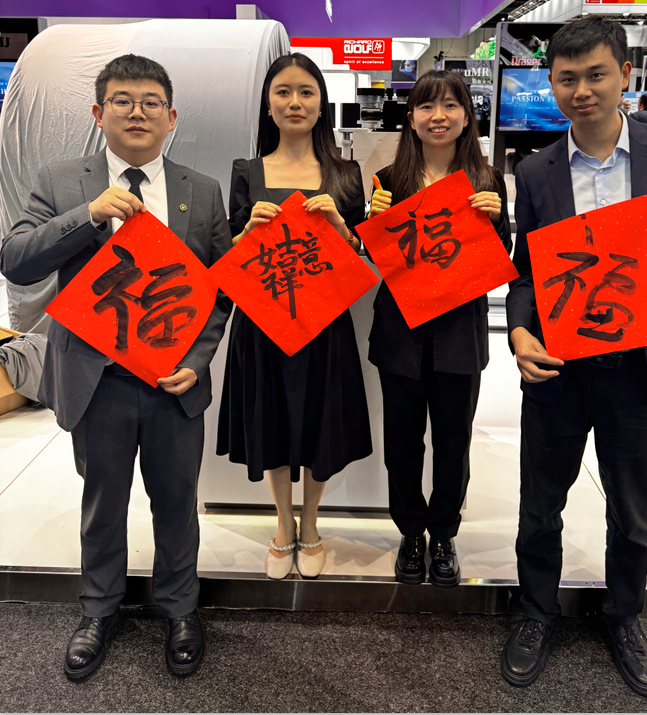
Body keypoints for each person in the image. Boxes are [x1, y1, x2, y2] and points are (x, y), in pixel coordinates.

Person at [502, 17, 647, 697]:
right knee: (541, 503)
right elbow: (526, 273)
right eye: (566, 79)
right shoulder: (535, 170)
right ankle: (535, 612)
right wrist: (518, 332)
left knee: (632, 508)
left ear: (625, 73)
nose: (581, 91)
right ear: (551, 84)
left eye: (595, 74)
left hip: (640, 366)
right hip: (559, 366)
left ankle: (624, 617)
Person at [0, 54, 233, 680]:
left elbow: (219, 290)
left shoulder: (201, 190)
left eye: (151, 102)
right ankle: (98, 611)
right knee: (102, 503)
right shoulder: (61, 181)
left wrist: (198, 359)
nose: (137, 112)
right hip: (96, 379)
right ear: (98, 113)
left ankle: (180, 609)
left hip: (172, 382)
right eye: (123, 101)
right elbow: (16, 260)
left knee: (176, 502)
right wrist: (89, 215)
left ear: (171, 117)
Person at [217, 52, 372, 581]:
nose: (295, 102)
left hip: (324, 322)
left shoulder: (346, 174)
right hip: (263, 322)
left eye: (306, 92)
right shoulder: (247, 171)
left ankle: (311, 523)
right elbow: (228, 257)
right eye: (282, 92)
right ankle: (283, 522)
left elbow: (361, 259)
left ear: (321, 103)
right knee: (274, 419)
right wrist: (245, 233)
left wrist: (342, 227)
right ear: (268, 104)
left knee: (319, 422)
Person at [366, 70, 512, 588]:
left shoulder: (487, 181)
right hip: (401, 335)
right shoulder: (388, 180)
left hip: (459, 335)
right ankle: (410, 532)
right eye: (427, 106)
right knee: (403, 442)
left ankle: (444, 533)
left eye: (450, 105)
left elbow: (502, 259)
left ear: (467, 117)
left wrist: (497, 221)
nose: (438, 116)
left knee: (454, 441)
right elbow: (377, 263)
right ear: (410, 119)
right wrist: (371, 224)